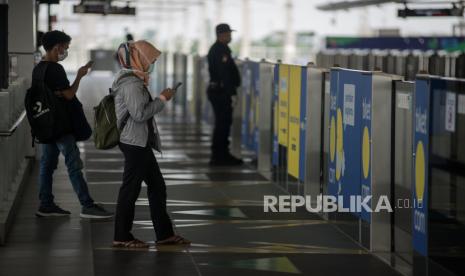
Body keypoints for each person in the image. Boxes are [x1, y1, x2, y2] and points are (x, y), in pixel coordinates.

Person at [112, 40, 190, 248]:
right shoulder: (132, 83)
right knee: (131, 189)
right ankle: (122, 236)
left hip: (138, 141)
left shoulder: (134, 79)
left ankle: (164, 234)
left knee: (157, 186)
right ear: (141, 58)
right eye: (152, 59)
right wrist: (162, 99)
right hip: (134, 142)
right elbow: (139, 114)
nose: (153, 63)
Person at [33, 30, 113, 219]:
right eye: (65, 48)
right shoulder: (55, 69)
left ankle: (46, 204)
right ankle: (87, 205)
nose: (65, 51)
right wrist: (80, 75)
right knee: (74, 164)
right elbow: (68, 95)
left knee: (47, 164)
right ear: (57, 46)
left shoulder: (38, 68)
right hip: (61, 125)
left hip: (46, 124)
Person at [207, 23, 243, 166]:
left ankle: (221, 154)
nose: (230, 36)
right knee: (222, 124)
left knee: (223, 124)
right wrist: (232, 93)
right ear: (221, 35)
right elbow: (224, 75)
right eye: (228, 34)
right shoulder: (220, 50)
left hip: (219, 91)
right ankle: (219, 156)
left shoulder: (220, 49)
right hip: (221, 92)